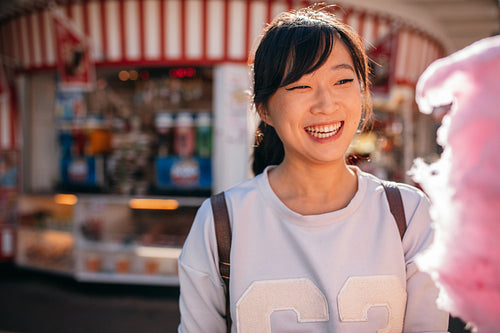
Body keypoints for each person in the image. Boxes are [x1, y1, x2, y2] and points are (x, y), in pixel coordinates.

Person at [178, 6, 448, 332]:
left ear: (362, 93)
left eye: (343, 80)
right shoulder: (221, 223)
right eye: (300, 86)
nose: (326, 104)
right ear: (264, 109)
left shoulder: (408, 215)